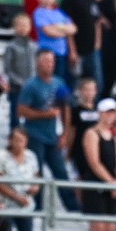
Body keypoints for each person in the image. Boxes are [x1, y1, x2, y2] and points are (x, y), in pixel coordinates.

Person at [18, 49, 78, 212]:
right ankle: (37, 208)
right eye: (46, 61)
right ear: (38, 63)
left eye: (52, 61)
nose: (49, 64)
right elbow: (22, 110)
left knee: (61, 173)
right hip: (35, 135)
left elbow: (65, 108)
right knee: (36, 173)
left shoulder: (58, 83)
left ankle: (72, 208)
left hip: (53, 136)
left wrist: (65, 134)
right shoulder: (31, 85)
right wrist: (44, 114)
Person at [79, 99, 116, 231]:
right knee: (97, 226)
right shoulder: (92, 133)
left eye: (112, 112)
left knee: (110, 227)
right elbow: (94, 162)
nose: (110, 115)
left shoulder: (114, 137)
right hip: (96, 184)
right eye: (107, 112)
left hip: (110, 185)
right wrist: (111, 182)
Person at [0, 127, 41, 231]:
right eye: (16, 140)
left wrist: (35, 186)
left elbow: (36, 176)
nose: (19, 143)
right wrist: (16, 197)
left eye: (22, 140)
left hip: (26, 205)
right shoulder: (1, 156)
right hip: (6, 205)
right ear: (10, 140)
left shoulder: (31, 156)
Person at [62, 0, 104, 90]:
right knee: (74, 85)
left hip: (92, 49)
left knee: (97, 84)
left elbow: (97, 23)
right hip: (77, 49)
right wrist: (72, 50)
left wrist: (97, 44)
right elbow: (67, 25)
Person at [3, 12, 37, 130]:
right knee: (15, 115)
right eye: (20, 25)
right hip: (16, 87)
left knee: (31, 114)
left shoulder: (34, 46)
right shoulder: (11, 47)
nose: (23, 28)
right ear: (14, 28)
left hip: (32, 87)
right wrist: (20, 82)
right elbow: (8, 69)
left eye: (25, 25)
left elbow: (36, 66)